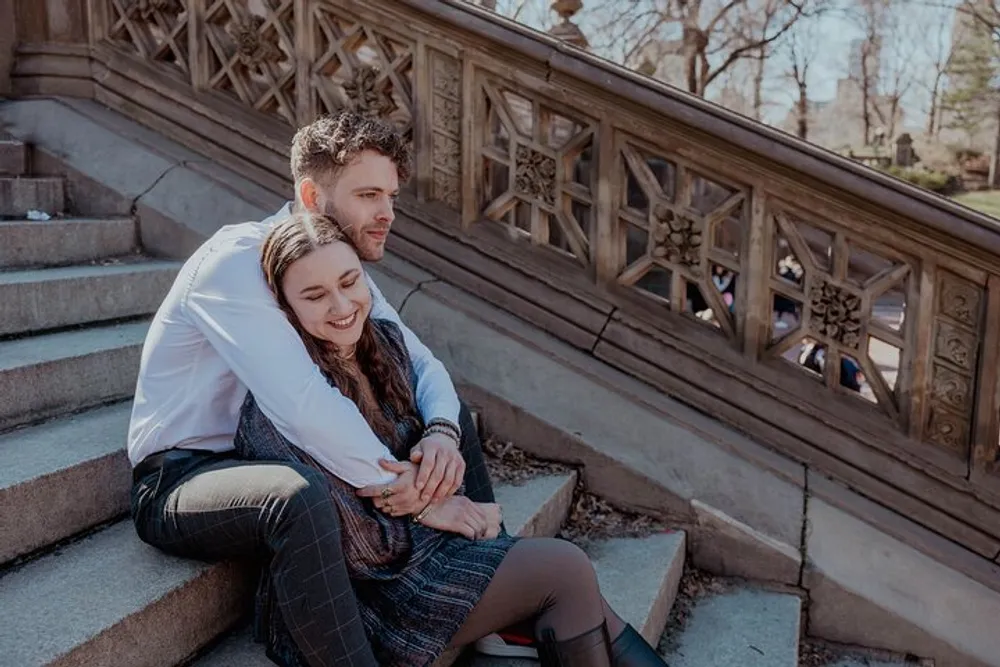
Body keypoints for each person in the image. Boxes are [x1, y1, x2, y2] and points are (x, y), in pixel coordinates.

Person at [128, 111, 501, 667]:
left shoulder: (333, 259)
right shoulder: (236, 262)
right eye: (369, 194)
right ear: (311, 193)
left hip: (272, 451)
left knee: (447, 418)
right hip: (185, 476)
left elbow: (422, 363)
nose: (386, 214)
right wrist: (425, 501)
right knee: (295, 496)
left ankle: (491, 579)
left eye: (392, 197)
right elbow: (303, 405)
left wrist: (444, 434)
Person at [236, 210, 669, 667]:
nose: (342, 306)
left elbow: (433, 459)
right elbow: (359, 550)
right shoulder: (280, 403)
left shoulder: (384, 343)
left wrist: (445, 501)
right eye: (315, 295)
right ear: (286, 309)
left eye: (350, 282)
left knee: (581, 596)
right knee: (566, 570)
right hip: (374, 596)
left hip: (427, 559)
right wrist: (441, 514)